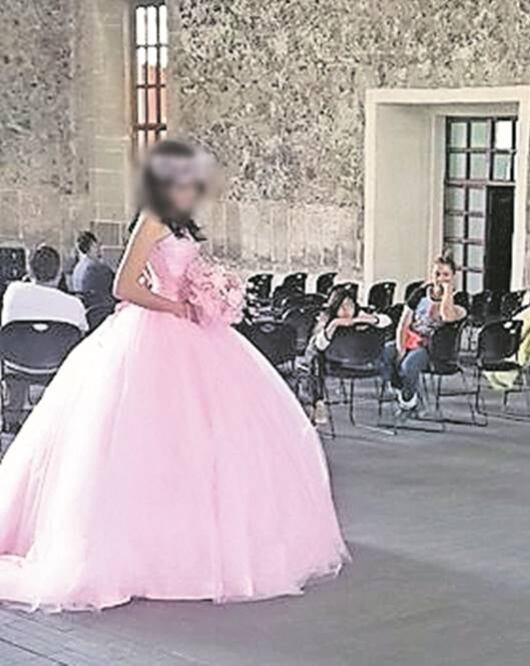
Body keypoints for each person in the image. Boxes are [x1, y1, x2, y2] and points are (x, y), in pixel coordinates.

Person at [0, 140, 347, 611]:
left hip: (195, 333)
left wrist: (211, 294)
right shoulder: (153, 219)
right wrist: (176, 304)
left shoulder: (183, 223)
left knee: (212, 437)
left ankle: (207, 543)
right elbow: (125, 285)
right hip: (155, 334)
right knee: (149, 439)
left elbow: (175, 275)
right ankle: (141, 549)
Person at [0, 245, 89, 432]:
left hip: (16, 363)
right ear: (59, 274)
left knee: (20, 351)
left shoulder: (13, 292)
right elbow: (83, 334)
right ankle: (61, 418)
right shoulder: (74, 305)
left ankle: (11, 417)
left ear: (29, 270)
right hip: (56, 365)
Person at [379, 252, 466, 414]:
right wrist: (400, 348)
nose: (440, 278)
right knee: (384, 353)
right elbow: (404, 323)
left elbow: (448, 317)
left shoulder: (459, 299)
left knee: (408, 366)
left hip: (432, 347)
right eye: (437, 274)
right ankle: (402, 390)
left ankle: (408, 401)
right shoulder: (419, 294)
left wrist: (446, 292)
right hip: (410, 338)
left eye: (445, 274)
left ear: (453, 276)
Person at [297, 285, 389, 423]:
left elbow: (386, 320)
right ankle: (318, 401)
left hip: (360, 363)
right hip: (333, 363)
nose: (346, 310)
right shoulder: (327, 321)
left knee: (313, 358)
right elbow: (319, 345)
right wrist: (334, 325)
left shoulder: (360, 315)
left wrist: (366, 320)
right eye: (341, 306)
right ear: (334, 308)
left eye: (349, 305)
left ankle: (317, 401)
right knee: (316, 354)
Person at [70, 230, 116, 305]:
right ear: (91, 246)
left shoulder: (77, 268)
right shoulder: (98, 268)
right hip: (101, 310)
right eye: (97, 245)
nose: (99, 248)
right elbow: (116, 287)